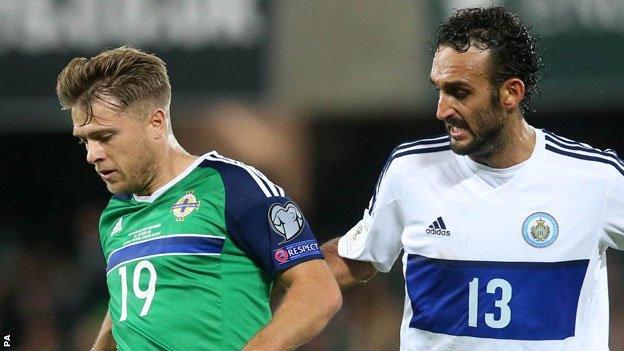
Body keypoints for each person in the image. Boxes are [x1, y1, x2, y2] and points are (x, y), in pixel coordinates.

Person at [322, 6, 624, 350]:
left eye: (460, 93)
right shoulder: (410, 171)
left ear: (511, 92)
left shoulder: (594, 180)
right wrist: (276, 268)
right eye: (439, 89)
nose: (441, 110)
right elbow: (355, 259)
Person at [55, 46, 341, 351]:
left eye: (105, 136)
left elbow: (319, 292)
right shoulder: (115, 215)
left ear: (155, 122)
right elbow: (130, 308)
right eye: (84, 140)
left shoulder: (234, 186)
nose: (91, 155)